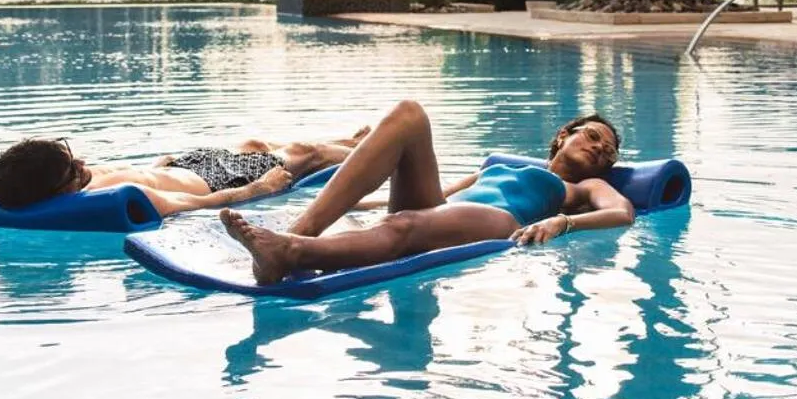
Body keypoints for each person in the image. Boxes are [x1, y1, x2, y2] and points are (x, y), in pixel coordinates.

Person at [219, 100, 635, 285]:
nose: (601, 149)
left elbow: (622, 212)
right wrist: (358, 202)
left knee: (405, 224)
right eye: (595, 136)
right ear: (564, 135)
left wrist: (563, 221)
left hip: (497, 222)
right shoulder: (499, 166)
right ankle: (301, 230)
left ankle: (290, 254)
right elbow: (447, 192)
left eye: (608, 152)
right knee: (409, 114)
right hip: (447, 210)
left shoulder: (580, 187)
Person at [0, 127, 368, 217]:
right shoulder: (115, 200)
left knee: (255, 144)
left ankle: (349, 143)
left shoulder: (70, 185)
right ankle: (373, 148)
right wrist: (258, 188)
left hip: (183, 165)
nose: (82, 165)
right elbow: (194, 203)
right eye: (73, 169)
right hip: (218, 180)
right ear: (58, 191)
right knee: (307, 154)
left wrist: (157, 167)